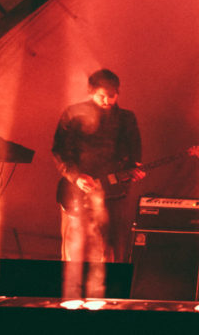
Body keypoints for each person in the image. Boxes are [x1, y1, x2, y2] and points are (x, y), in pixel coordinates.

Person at [52, 69, 144, 264]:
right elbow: (60, 151)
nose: (106, 101)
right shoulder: (73, 113)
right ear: (90, 91)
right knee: (73, 247)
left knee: (110, 247)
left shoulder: (126, 119)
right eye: (102, 96)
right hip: (75, 190)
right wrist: (76, 177)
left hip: (112, 192)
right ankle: (68, 289)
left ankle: (109, 290)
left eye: (111, 96)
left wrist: (134, 170)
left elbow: (134, 152)